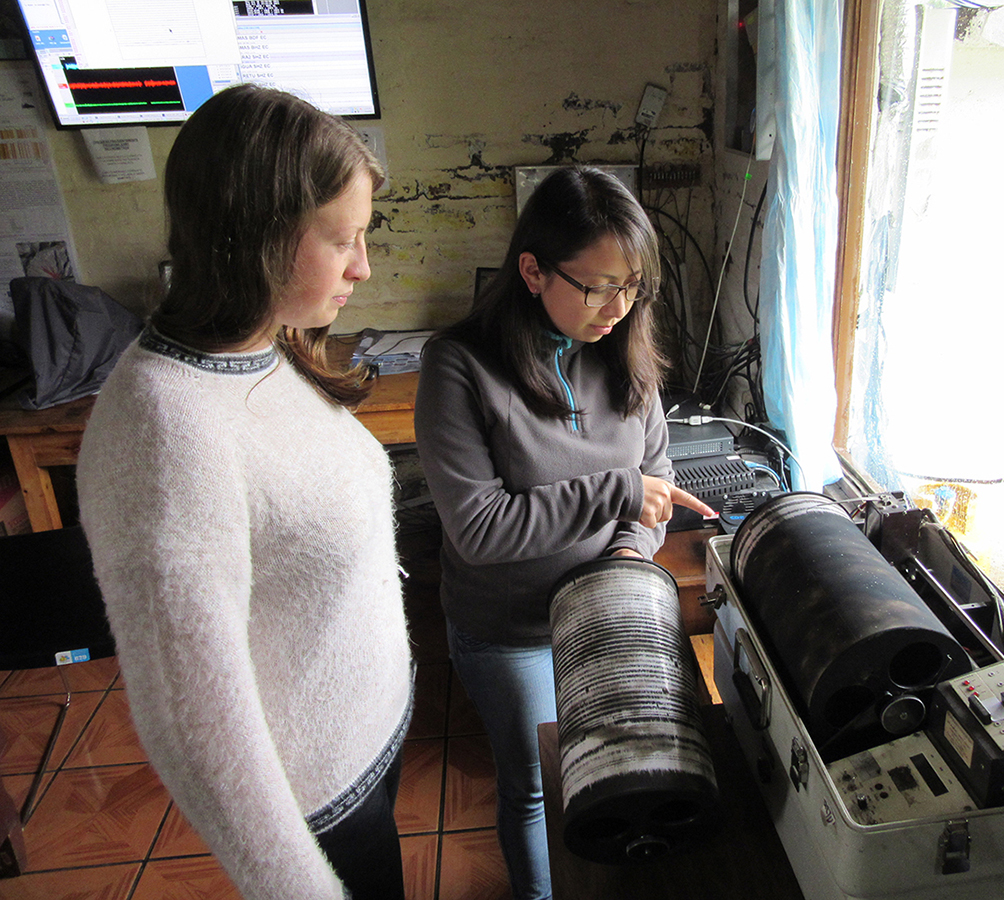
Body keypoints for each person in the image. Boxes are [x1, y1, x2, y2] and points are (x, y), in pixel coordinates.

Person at [76, 84, 414, 900]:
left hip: (368, 755)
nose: (362, 267)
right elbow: (194, 730)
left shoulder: (268, 347)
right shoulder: (167, 429)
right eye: (343, 240)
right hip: (319, 816)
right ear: (260, 238)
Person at [413, 165, 715, 899]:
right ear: (532, 270)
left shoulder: (624, 349)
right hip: (511, 626)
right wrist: (616, 492)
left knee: (630, 776)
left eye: (633, 285)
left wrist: (624, 553)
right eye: (598, 285)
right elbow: (481, 529)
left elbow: (655, 481)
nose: (619, 306)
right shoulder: (459, 366)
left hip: (605, 610)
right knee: (539, 784)